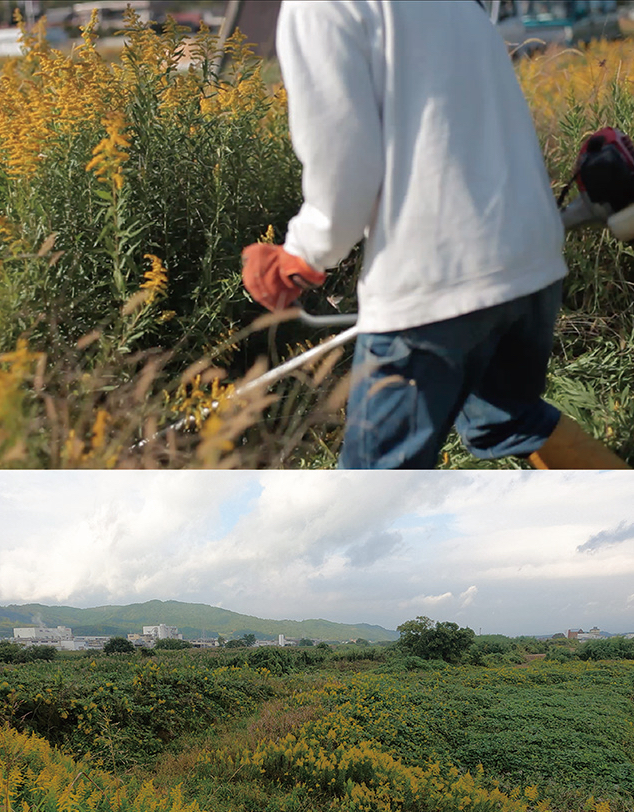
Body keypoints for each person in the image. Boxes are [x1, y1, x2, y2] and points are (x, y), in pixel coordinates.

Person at [241, 0, 629, 470]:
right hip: (529, 261)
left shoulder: (319, 7)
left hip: (439, 274)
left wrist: (303, 254)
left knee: (369, 488)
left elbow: (344, 162)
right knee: (507, 419)